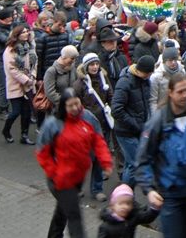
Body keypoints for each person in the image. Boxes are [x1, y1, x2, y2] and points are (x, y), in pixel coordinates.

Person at [136, 72, 186, 238]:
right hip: (172, 195)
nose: (185, 95)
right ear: (170, 93)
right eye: (180, 91)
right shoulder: (158, 120)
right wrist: (149, 189)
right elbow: (142, 159)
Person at [37, 87, 113, 238]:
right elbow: (42, 153)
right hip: (60, 180)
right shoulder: (53, 124)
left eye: (76, 103)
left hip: (77, 177)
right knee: (74, 216)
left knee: (63, 211)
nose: (75, 108)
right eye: (70, 105)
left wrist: (105, 161)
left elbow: (98, 140)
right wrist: (55, 173)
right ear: (63, 107)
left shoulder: (88, 117)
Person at [75, 52, 115, 201]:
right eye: (91, 64)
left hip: (102, 125)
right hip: (86, 127)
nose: (95, 67)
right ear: (86, 67)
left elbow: (111, 96)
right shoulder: (79, 84)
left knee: (98, 159)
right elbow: (75, 105)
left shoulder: (104, 79)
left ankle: (96, 189)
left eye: (97, 64)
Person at [112, 54, 155, 188]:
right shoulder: (125, 82)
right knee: (136, 164)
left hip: (137, 129)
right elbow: (116, 109)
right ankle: (126, 198)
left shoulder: (145, 80)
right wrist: (136, 124)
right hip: (125, 131)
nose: (149, 76)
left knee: (130, 164)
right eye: (147, 73)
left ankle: (124, 196)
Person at [2, 24, 37, 145]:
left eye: (27, 31)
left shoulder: (29, 47)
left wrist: (32, 76)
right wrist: (26, 79)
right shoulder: (10, 50)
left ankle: (24, 135)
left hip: (28, 84)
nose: (26, 34)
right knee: (16, 111)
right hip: (16, 84)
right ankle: (6, 130)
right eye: (23, 32)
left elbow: (34, 63)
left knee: (27, 111)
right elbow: (12, 69)